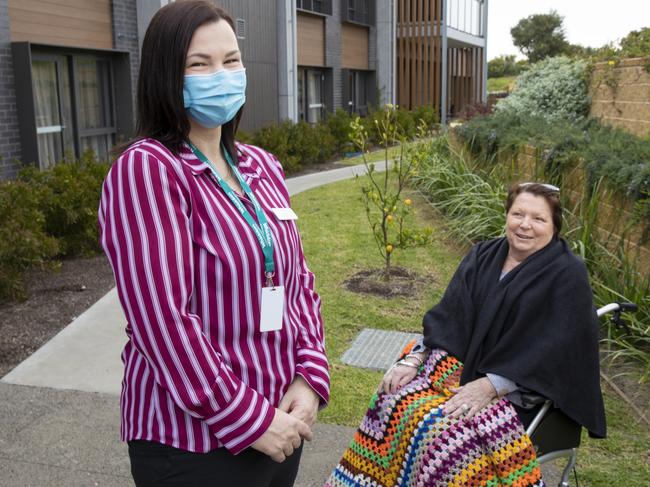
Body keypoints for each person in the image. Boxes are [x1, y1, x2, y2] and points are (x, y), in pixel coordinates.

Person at [98, 2, 329, 485]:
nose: (220, 75)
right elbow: (162, 323)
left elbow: (297, 283)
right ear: (166, 75)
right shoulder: (150, 170)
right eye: (198, 64)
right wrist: (249, 419)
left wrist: (308, 379)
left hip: (281, 420)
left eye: (231, 60)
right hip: (194, 443)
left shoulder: (260, 165)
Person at [326, 182, 606, 487]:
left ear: (554, 226)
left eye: (538, 219)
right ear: (507, 216)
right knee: (392, 400)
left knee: (441, 439)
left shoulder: (567, 273)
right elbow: (449, 316)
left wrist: (492, 385)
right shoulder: (484, 255)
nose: (525, 225)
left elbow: (556, 351)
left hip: (523, 396)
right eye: (518, 214)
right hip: (463, 373)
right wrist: (415, 357)